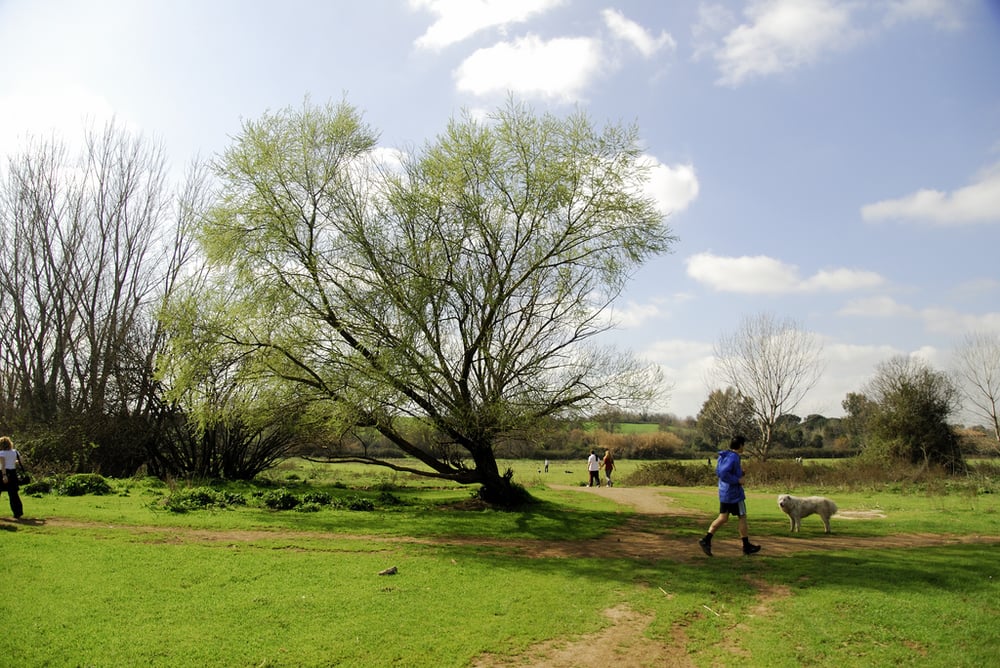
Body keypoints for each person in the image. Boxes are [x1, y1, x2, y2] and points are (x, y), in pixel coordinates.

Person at [698, 435, 760, 556]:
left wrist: (739, 473)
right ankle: (746, 546)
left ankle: (706, 539)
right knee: (742, 517)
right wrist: (737, 480)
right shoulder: (734, 457)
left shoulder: (724, 456)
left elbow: (720, 471)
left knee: (723, 518)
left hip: (724, 493)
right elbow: (723, 473)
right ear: (741, 445)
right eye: (744, 445)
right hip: (734, 494)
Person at [0, 435, 24, 520]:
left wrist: (4, 475)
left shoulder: (1, 453)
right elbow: (21, 461)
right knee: (13, 494)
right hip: (13, 473)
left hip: (3, 472)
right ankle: (18, 512)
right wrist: (13, 461)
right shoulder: (15, 452)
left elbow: (3, 465)